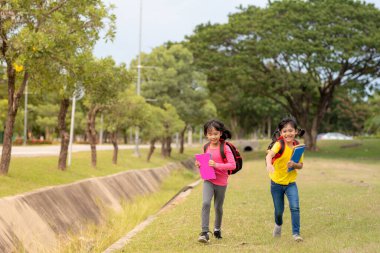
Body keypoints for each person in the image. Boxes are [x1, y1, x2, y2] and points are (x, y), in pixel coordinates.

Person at [195, 119, 236, 243]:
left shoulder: (225, 148)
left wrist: (216, 165)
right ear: (206, 135)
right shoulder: (206, 147)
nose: (213, 136)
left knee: (218, 207)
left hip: (221, 182)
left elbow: (232, 165)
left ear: (221, 133)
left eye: (215, 133)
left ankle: (217, 228)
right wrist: (199, 164)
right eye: (210, 134)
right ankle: (204, 232)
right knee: (206, 203)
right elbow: (205, 162)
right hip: (208, 179)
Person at [265, 117, 305, 242]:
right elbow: (269, 155)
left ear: (296, 131)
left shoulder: (298, 147)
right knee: (279, 211)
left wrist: (294, 165)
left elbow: (301, 165)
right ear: (281, 133)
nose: (288, 133)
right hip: (276, 183)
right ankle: (278, 224)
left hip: (291, 183)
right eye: (285, 131)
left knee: (295, 207)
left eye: (290, 130)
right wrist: (269, 164)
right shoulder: (279, 144)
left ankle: (296, 234)